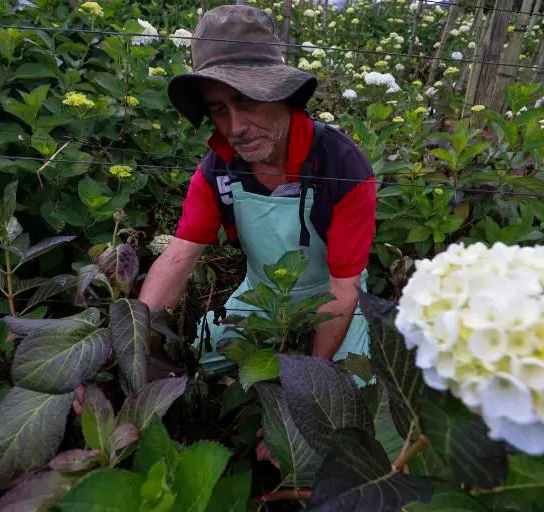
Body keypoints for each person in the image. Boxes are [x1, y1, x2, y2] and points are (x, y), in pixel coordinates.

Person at [137, 4, 377, 373]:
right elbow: (178, 258)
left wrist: (310, 380)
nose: (235, 128)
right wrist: (134, 349)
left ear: (281, 93)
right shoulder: (217, 169)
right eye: (219, 109)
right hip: (261, 297)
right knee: (195, 359)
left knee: (349, 385)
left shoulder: (343, 167)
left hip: (333, 298)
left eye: (246, 101)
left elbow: (343, 289)